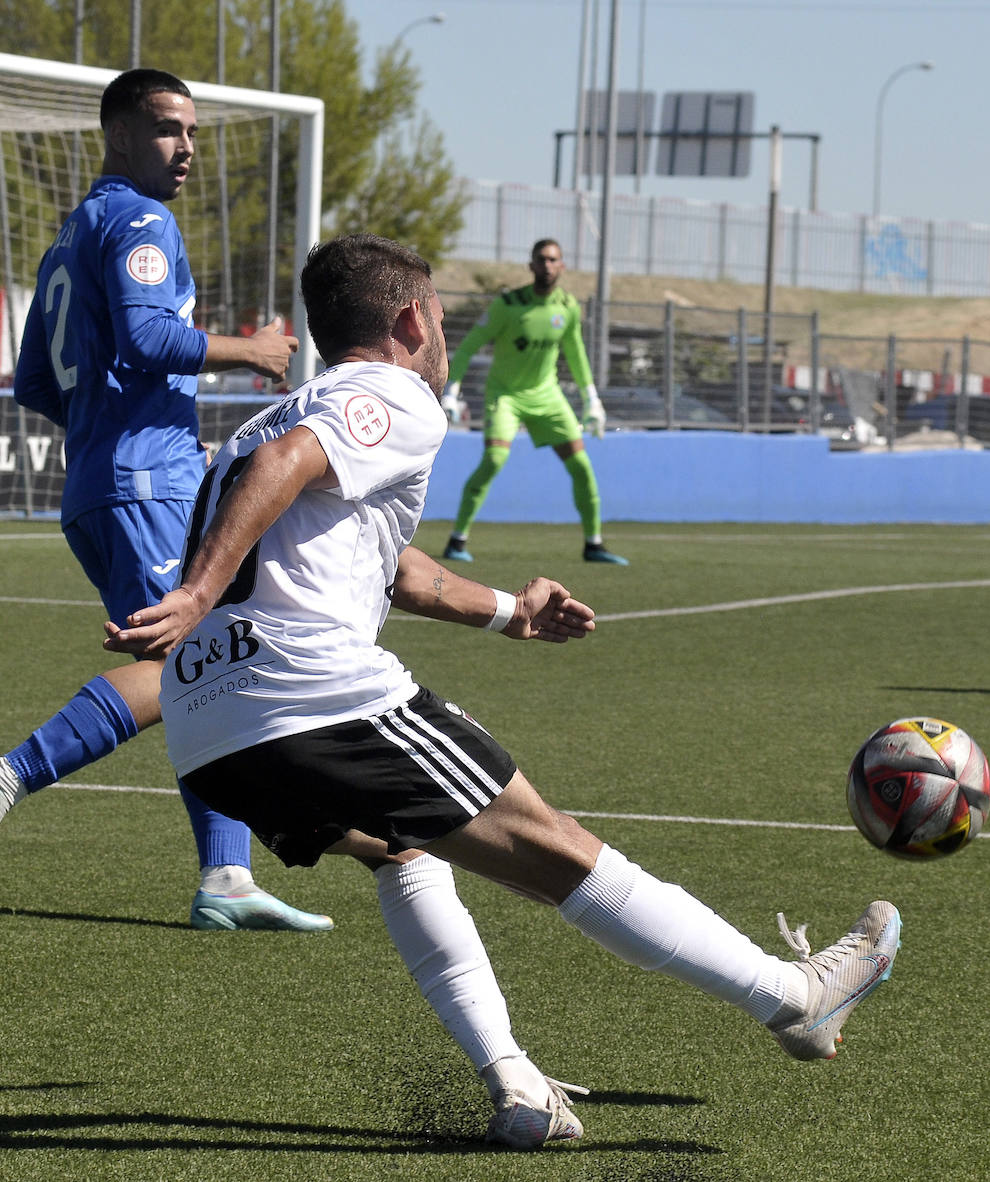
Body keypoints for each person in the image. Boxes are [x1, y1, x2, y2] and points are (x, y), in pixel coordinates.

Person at [104, 233, 903, 1141]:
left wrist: (507, 612)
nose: (444, 336)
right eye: (441, 316)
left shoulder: (275, 415)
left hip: (210, 735)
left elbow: (391, 569)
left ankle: (518, 1086)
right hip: (310, 691)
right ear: (410, 320)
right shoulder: (391, 392)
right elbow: (293, 462)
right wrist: (199, 589)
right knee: (555, 847)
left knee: (404, 851)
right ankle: (793, 998)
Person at [0, 67, 330, 932]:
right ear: (118, 135)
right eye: (166, 128)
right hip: (142, 484)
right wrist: (255, 350)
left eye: (191, 130)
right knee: (181, 663)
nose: (185, 147)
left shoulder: (70, 235)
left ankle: (226, 880)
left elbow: (35, 382)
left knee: (208, 664)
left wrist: (114, 427)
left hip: (106, 483)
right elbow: (152, 335)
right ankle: (4, 775)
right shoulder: (141, 220)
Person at [438, 238, 629, 566]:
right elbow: (468, 346)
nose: (547, 265)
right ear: (531, 265)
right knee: (495, 460)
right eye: (541, 259)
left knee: (582, 466)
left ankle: (594, 544)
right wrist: (451, 390)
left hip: (548, 395)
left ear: (563, 266)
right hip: (506, 396)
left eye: (554, 259)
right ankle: (457, 540)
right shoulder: (508, 305)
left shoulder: (568, 307)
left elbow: (576, 353)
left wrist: (592, 400)